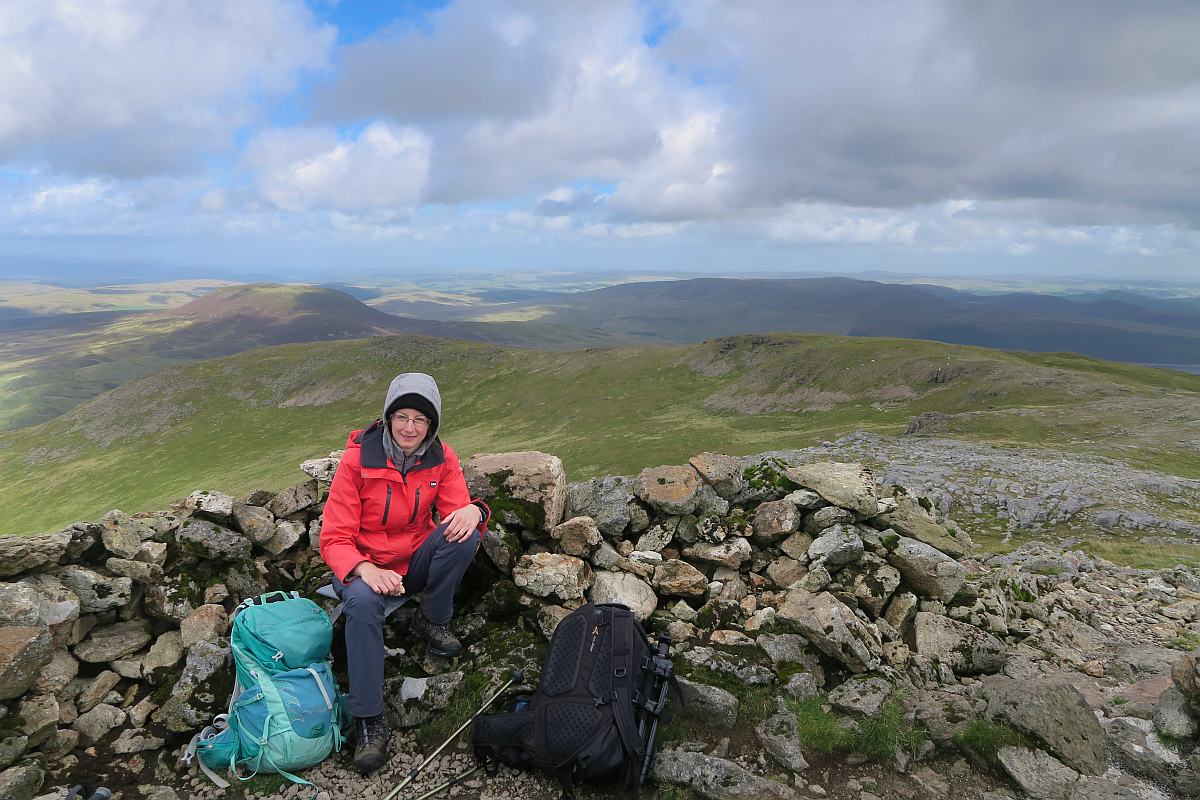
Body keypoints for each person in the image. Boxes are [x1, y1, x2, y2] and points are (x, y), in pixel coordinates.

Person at [319, 372, 489, 774]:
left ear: (432, 425)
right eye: (402, 417)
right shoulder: (356, 461)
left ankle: (431, 619)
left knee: (463, 536)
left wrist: (475, 510)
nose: (410, 428)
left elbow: (455, 516)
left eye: (420, 419)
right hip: (366, 569)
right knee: (360, 602)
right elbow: (334, 539)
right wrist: (364, 568)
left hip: (412, 563)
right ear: (387, 418)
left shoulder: (442, 457)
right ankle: (368, 720)